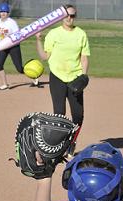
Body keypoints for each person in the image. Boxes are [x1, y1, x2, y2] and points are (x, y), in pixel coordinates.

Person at [36, 4, 90, 148]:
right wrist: (38, 40)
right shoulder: (54, 33)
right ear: (61, 17)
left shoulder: (81, 34)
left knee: (78, 114)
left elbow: (84, 57)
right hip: (57, 77)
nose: (69, 18)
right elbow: (44, 56)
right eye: (66, 15)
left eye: (72, 15)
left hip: (75, 78)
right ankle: (60, 143)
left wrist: (83, 77)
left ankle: (72, 141)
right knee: (59, 113)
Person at [0, 2, 39, 90]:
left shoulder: (12, 23)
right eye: (1, 11)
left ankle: (34, 77)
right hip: (2, 46)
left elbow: (18, 35)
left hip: (13, 46)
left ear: (8, 13)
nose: (3, 13)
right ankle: (4, 84)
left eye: (5, 11)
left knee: (19, 68)